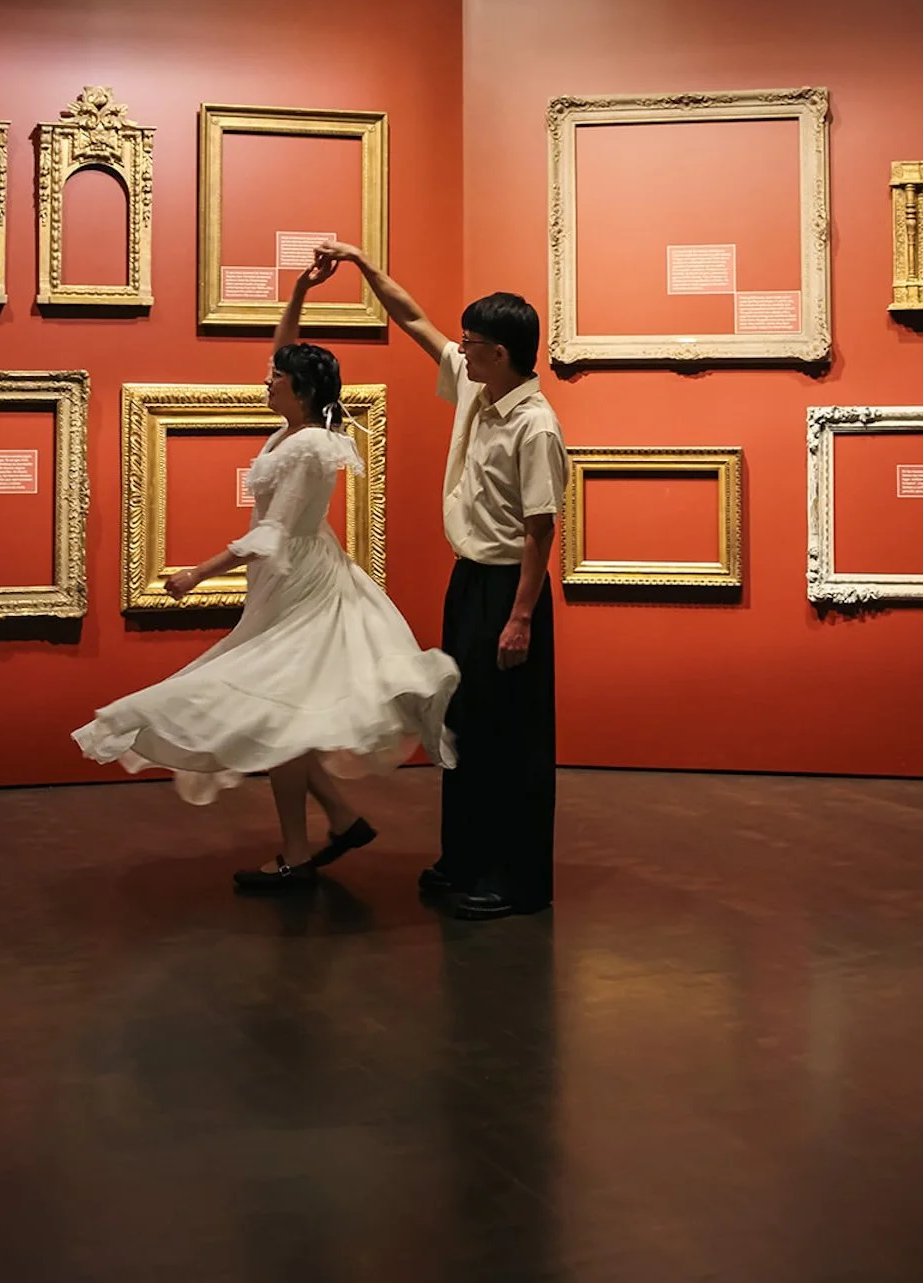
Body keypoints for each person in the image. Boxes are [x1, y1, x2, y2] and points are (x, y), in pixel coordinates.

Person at [71, 255, 459, 893]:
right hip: (288, 584)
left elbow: (273, 534)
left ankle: (303, 849)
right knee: (285, 716)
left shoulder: (308, 446)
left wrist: (197, 573)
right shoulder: (295, 430)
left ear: (299, 391)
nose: (267, 380)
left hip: (304, 586)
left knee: (278, 716)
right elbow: (286, 347)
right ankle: (331, 823)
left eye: (276, 377)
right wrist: (300, 292)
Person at [318, 243, 568, 921]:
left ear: (503, 352)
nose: (458, 350)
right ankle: (463, 858)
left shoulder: (535, 425)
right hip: (470, 583)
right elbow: (414, 319)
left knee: (507, 737)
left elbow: (540, 531)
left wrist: (519, 618)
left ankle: (514, 881)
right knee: (460, 724)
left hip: (509, 592)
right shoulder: (477, 389)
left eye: (472, 343)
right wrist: (363, 265)